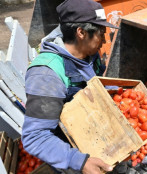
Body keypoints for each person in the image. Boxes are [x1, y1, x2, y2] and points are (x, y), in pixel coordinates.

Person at [21, 0, 118, 173]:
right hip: (70, 152)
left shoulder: (88, 54)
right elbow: (35, 137)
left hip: (95, 134)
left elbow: (97, 81)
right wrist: (79, 161)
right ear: (81, 32)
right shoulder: (47, 74)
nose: (104, 40)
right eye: (101, 33)